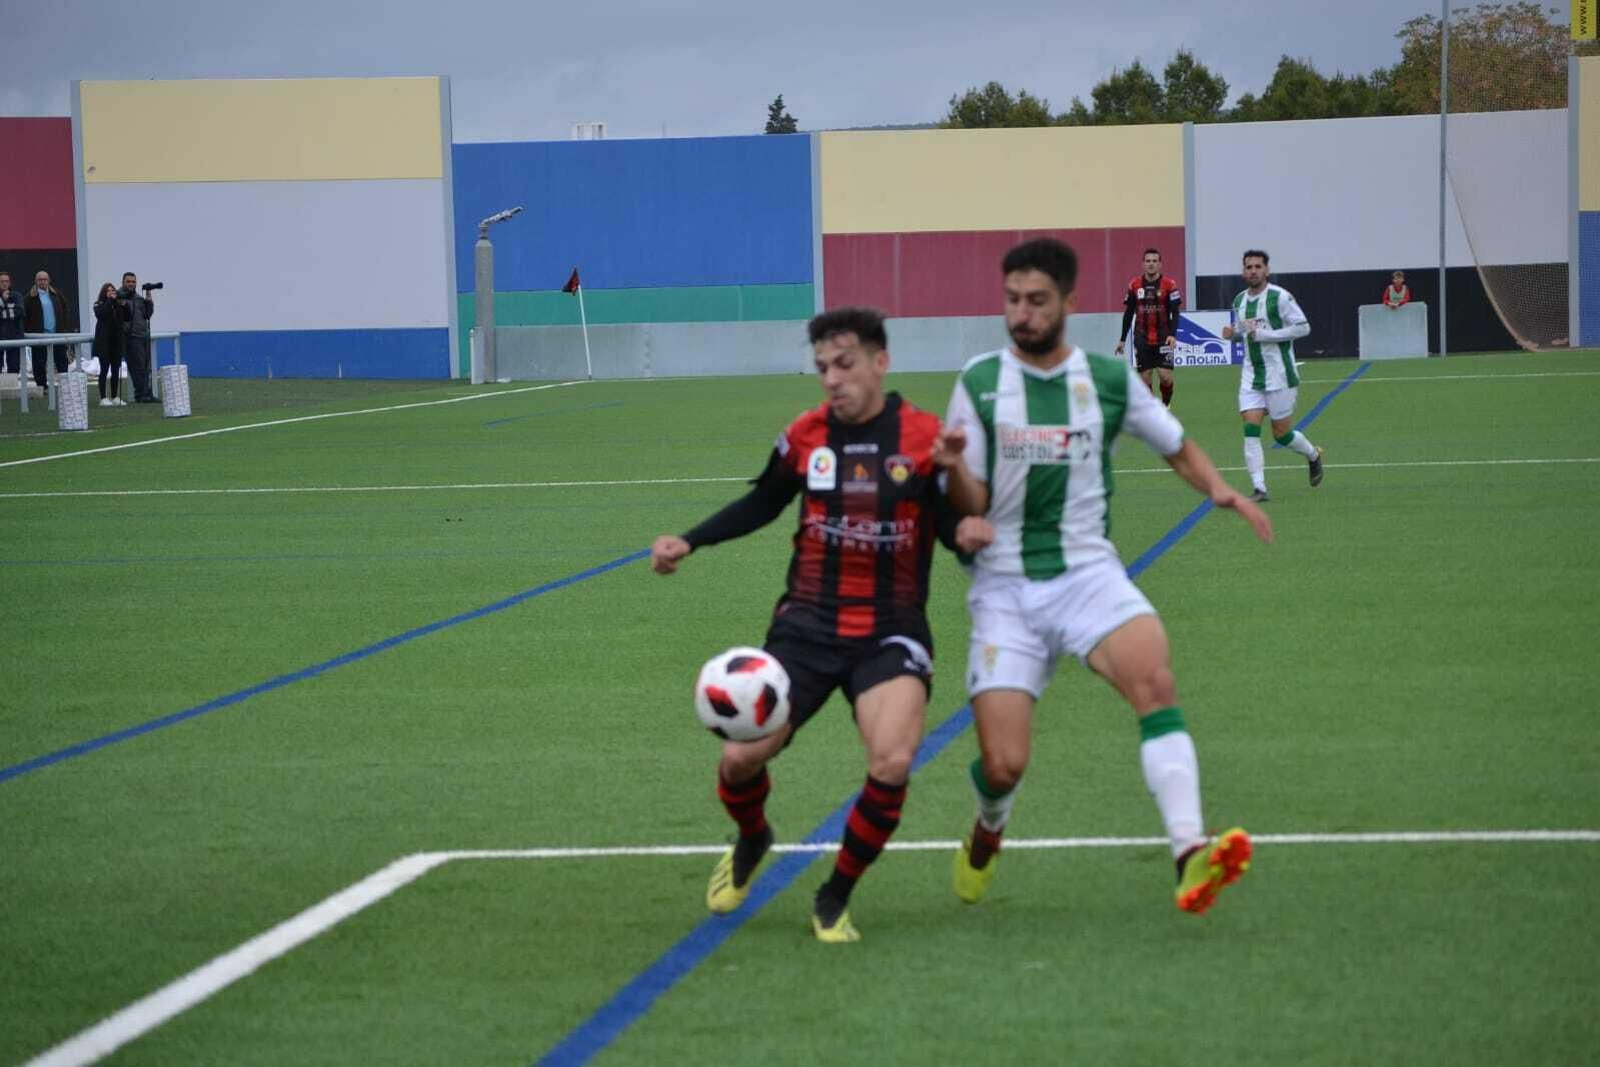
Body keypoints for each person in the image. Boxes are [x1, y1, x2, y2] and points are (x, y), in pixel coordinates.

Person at [936, 237, 1274, 916]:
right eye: (1012, 301)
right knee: (1003, 765)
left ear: (1069, 301)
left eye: (1036, 300)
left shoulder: (1107, 380)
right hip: (1004, 587)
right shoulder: (978, 382)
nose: (1022, 313)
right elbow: (966, 500)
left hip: (1089, 572)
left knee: (1155, 680)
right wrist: (954, 483)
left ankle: (1189, 853)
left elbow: (1174, 442)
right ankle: (987, 827)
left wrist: (1219, 487)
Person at [651, 306, 962, 944]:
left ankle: (834, 893)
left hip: (891, 628)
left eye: (844, 364)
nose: (831, 378)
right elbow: (764, 501)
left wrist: (969, 523)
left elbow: (956, 531)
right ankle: (752, 836)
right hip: (807, 626)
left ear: (881, 360)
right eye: (822, 366)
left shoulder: (924, 436)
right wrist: (691, 540)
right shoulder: (806, 434)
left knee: (893, 760)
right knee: (740, 757)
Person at [1220, 250, 1323, 503]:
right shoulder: (1239, 300)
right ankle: (1259, 488)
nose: (1253, 270)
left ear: (1267, 270)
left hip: (1280, 375)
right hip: (1251, 375)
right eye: (1249, 266)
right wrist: (1233, 334)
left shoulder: (1280, 297)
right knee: (1250, 429)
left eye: (1258, 266)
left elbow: (1303, 327)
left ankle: (1313, 455)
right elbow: (1246, 332)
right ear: (1243, 272)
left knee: (1281, 434)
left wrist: (1267, 336)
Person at [1114, 247, 1181, 407]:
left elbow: (1175, 312)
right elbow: (1129, 313)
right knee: (1145, 378)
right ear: (1143, 264)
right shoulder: (1135, 285)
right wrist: (1122, 339)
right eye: (1148, 261)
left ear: (1160, 264)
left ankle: (1165, 404)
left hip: (1164, 337)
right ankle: (1153, 410)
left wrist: (1172, 334)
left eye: (1154, 261)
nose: (1151, 264)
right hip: (1142, 337)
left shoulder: (1169, 285)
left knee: (1165, 377)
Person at [23, 270, 73, 389]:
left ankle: (64, 384)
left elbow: (66, 309)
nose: (42, 282)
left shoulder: (56, 294)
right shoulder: (30, 297)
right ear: (35, 281)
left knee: (61, 360)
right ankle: (42, 386)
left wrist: (63, 325)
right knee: (39, 362)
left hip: (57, 334)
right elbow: (24, 315)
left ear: (48, 281)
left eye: (45, 279)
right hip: (39, 336)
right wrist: (30, 330)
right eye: (40, 279)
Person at [118, 272, 157, 403]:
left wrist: (149, 297)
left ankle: (146, 393)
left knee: (146, 366)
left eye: (133, 282)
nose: (131, 284)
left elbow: (147, 314)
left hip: (143, 336)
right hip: (130, 337)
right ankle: (141, 394)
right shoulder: (119, 297)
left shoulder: (139, 298)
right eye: (128, 281)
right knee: (137, 367)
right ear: (123, 282)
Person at [93, 283, 127, 407]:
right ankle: (103, 397)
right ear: (104, 292)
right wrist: (110, 301)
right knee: (104, 369)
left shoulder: (117, 304)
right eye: (108, 291)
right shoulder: (99, 304)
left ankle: (115, 396)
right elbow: (102, 314)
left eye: (113, 290)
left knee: (115, 370)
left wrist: (123, 304)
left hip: (116, 342)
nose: (111, 292)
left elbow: (126, 317)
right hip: (104, 342)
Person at [0, 272, 22, 377]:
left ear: (10, 282)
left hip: (14, 336)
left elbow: (20, 312)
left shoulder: (16, 296)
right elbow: (14, 313)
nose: (4, 283)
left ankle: (12, 387)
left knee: (14, 366)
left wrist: (3, 312)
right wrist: (2, 300)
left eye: (6, 281)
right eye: (2, 281)